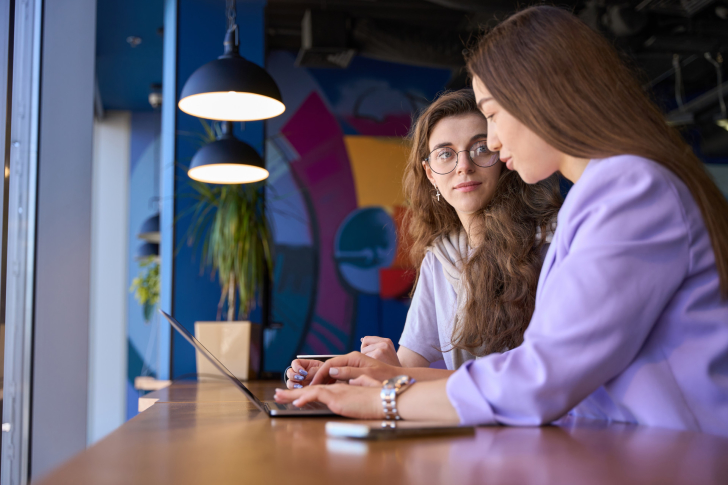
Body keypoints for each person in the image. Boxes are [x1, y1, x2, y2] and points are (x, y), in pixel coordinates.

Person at [275, 5, 728, 436]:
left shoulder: (631, 191)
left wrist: (387, 397)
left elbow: (540, 379)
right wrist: (382, 378)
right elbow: (536, 371)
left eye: (491, 114)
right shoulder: (604, 194)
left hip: (674, 455)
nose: (490, 141)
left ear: (540, 96)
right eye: (448, 154)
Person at [283, 89, 561, 389]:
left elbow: (533, 382)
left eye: (480, 148)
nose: (463, 166)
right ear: (430, 174)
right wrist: (335, 375)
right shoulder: (441, 258)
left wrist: (395, 375)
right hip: (467, 425)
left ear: (502, 155)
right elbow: (404, 370)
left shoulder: (550, 242)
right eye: (445, 153)